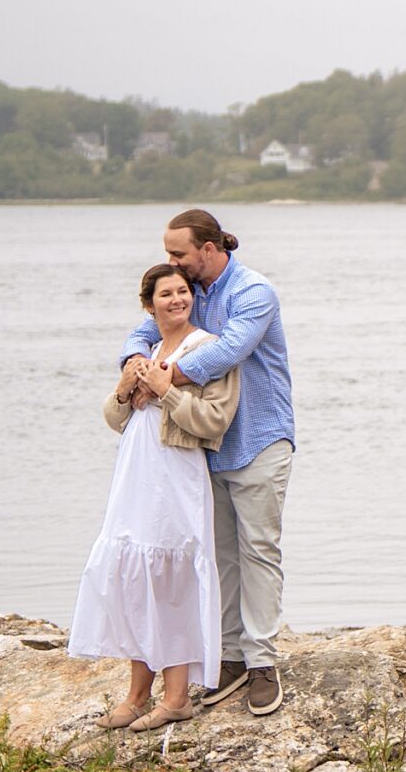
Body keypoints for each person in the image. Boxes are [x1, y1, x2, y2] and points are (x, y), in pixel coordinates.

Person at [119, 207, 296, 716]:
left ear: (209, 250)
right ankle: (232, 658)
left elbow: (228, 352)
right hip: (203, 448)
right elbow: (143, 329)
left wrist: (161, 379)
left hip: (259, 438)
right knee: (219, 555)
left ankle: (262, 663)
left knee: (259, 549)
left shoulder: (252, 292)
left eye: (177, 253)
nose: (170, 261)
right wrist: (134, 361)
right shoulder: (190, 292)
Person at [70, 264, 240, 728]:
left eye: (183, 291)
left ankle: (177, 696)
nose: (177, 299)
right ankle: (137, 695)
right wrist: (127, 387)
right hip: (135, 473)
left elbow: (213, 422)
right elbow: (113, 417)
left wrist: (165, 392)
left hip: (177, 476)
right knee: (132, 575)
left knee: (172, 578)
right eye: (166, 294)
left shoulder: (206, 350)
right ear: (149, 305)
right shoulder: (142, 351)